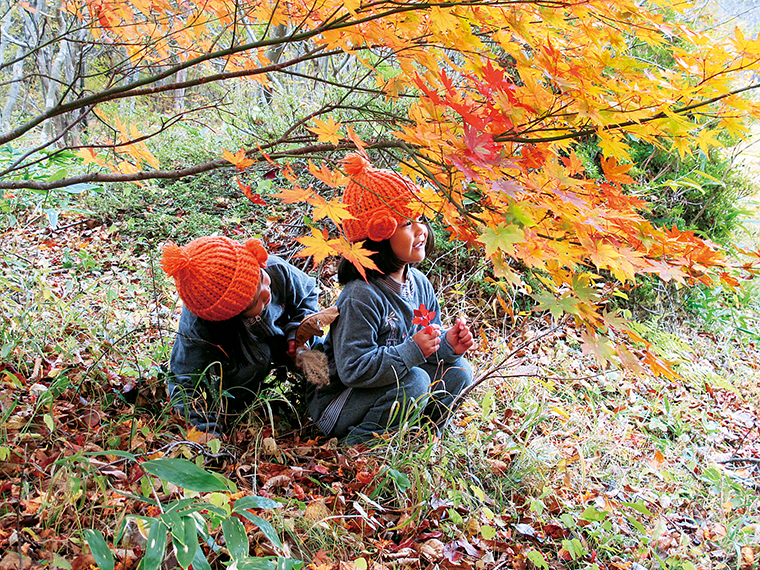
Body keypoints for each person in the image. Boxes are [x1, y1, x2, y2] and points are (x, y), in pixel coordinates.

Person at [308, 153, 474, 445]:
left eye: (420, 219)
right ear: (379, 235)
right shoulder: (361, 295)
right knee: (416, 381)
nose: (421, 230)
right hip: (340, 403)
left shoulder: (419, 284)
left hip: (391, 387)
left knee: (460, 371)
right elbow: (352, 370)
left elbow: (426, 348)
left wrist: (446, 345)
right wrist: (412, 351)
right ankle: (358, 445)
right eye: (407, 223)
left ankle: (423, 438)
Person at [161, 235, 319, 435]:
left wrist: (298, 333)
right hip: (240, 364)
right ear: (230, 316)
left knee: (320, 351)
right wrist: (207, 433)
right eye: (256, 303)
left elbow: (307, 294)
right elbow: (185, 383)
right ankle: (240, 398)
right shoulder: (198, 326)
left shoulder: (275, 269)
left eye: (261, 278)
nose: (266, 292)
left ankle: (327, 395)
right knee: (243, 378)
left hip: (283, 338)